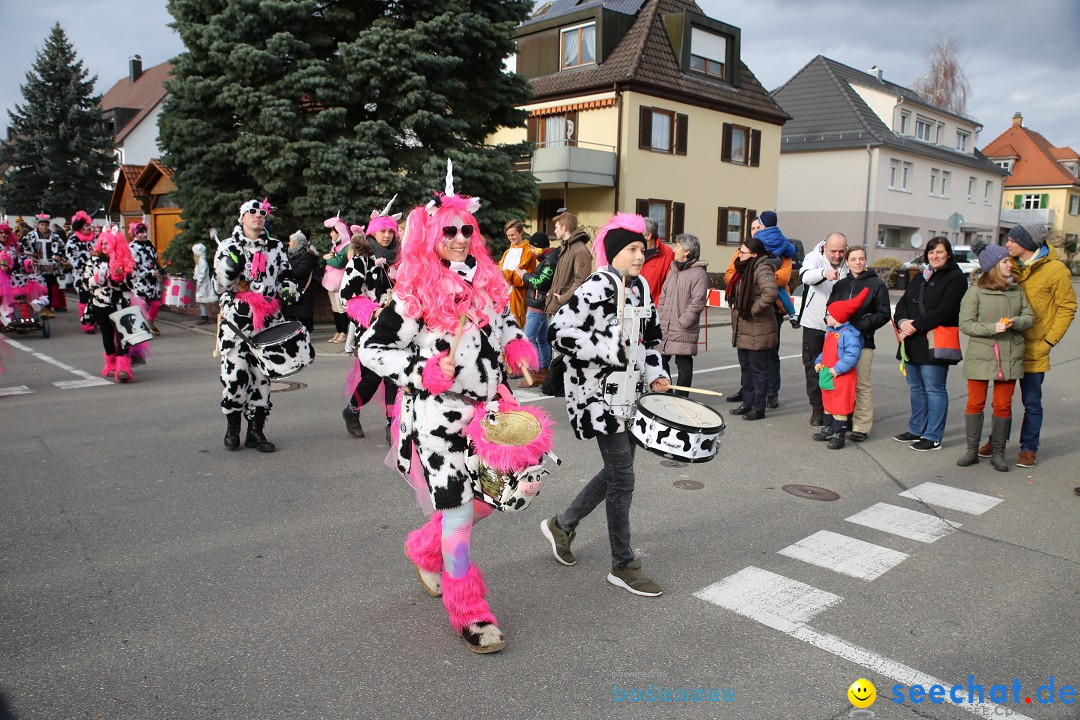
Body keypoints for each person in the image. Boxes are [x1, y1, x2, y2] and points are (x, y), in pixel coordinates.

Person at [357, 163, 538, 654]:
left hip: (488, 414)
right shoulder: (413, 290)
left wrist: (519, 350)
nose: (459, 238)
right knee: (458, 515)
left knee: (493, 499)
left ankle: (422, 548)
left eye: (466, 230)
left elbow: (506, 330)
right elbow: (372, 349)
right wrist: (423, 371)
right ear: (432, 236)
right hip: (437, 420)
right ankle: (469, 612)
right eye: (449, 231)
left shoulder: (487, 282)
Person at [543, 212, 670, 597]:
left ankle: (563, 524)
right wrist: (608, 348)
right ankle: (622, 563)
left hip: (632, 393)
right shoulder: (597, 287)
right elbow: (558, 331)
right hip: (598, 397)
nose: (638, 256)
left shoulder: (642, 288)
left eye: (641, 250)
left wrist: (656, 374)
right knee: (624, 478)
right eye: (631, 249)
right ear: (614, 253)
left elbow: (650, 342)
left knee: (617, 472)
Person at [978, 223, 1076, 468]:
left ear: (1028, 243)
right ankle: (996, 440)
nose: (1007, 243)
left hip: (1035, 347)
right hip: (1008, 345)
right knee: (1002, 399)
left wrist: (1049, 342)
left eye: (1012, 240)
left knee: (1032, 402)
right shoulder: (1008, 265)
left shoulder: (1056, 271)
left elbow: (1067, 308)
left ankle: (1028, 448)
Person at [214, 199, 300, 452]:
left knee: (263, 380)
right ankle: (233, 430)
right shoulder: (229, 246)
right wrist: (229, 270)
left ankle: (256, 432)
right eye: (252, 212)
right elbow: (218, 287)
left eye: (262, 213)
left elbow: (286, 275)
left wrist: (288, 290)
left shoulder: (275, 247)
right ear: (242, 217)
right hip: (237, 325)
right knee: (235, 378)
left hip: (268, 323)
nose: (258, 216)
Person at [956, 240, 1034, 471]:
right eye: (1004, 261)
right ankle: (972, 450)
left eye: (1009, 260)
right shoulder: (975, 292)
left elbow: (1029, 317)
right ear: (992, 266)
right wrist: (992, 328)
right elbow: (966, 324)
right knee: (975, 403)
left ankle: (998, 453)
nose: (1010, 265)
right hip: (981, 355)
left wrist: (1016, 322)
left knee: (1003, 405)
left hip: (1009, 355)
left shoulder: (1016, 290)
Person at [892, 237, 967, 451]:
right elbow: (904, 303)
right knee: (916, 387)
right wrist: (902, 321)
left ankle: (933, 436)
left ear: (948, 254)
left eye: (939, 252)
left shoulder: (956, 278)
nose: (934, 256)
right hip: (913, 340)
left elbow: (946, 310)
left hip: (934, 339)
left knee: (934, 389)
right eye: (931, 252)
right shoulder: (921, 276)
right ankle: (916, 429)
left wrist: (914, 325)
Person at [341, 202, 401, 442]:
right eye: (382, 231)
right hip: (370, 327)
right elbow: (347, 297)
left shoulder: (398, 259)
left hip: (397, 328)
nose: (386, 235)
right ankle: (352, 410)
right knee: (372, 378)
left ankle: (391, 424)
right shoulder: (360, 260)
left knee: (394, 377)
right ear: (372, 232)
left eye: (390, 231)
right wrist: (374, 312)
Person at [826, 246, 891, 442]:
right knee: (840, 384)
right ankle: (840, 422)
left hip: (864, 341)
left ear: (865, 260)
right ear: (847, 262)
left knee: (862, 385)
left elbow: (883, 313)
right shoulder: (840, 285)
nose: (857, 262)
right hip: (839, 343)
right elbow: (831, 308)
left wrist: (860, 325)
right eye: (853, 259)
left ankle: (861, 426)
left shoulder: (876, 284)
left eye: (861, 259)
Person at [798, 232, 849, 425]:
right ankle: (817, 408)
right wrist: (824, 273)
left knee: (838, 368)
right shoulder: (814, 257)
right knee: (813, 368)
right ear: (825, 248)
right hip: (815, 324)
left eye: (841, 251)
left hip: (840, 327)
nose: (837, 255)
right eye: (834, 251)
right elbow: (805, 276)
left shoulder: (848, 259)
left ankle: (838, 409)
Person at [725, 237, 778, 421]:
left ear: (754, 254)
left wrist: (752, 310)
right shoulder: (744, 268)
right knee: (746, 368)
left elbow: (770, 292)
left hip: (758, 328)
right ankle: (747, 403)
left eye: (743, 252)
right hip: (744, 328)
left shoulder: (762, 267)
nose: (739, 255)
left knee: (758, 371)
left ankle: (758, 407)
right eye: (740, 251)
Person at [812, 288, 869, 449]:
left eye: (828, 314)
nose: (826, 317)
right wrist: (819, 361)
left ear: (838, 317)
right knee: (829, 403)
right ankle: (829, 428)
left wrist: (838, 368)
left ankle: (839, 434)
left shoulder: (849, 334)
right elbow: (825, 352)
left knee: (840, 407)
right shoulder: (829, 332)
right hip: (827, 374)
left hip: (840, 376)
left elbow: (852, 354)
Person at [657, 233, 708, 395]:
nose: (674, 250)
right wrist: (660, 316)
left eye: (678, 247)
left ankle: (681, 396)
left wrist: (683, 321)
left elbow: (698, 301)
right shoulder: (673, 270)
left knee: (683, 362)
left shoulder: (698, 273)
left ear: (687, 251)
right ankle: (667, 394)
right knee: (661, 360)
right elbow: (664, 295)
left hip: (682, 325)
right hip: (666, 323)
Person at [85, 225, 135, 383]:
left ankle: (123, 368)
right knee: (107, 336)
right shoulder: (93, 260)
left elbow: (132, 284)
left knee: (123, 336)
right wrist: (97, 278)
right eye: (102, 243)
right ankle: (111, 364)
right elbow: (84, 283)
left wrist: (119, 278)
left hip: (120, 303)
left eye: (108, 243)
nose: (104, 246)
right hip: (100, 303)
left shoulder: (123, 259)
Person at [518, 230, 558, 388]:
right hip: (540, 305)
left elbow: (541, 283)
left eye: (534, 248)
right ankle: (543, 371)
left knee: (529, 339)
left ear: (541, 247)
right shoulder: (547, 259)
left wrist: (525, 276)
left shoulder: (548, 261)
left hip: (537, 306)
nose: (532, 251)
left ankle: (535, 372)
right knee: (541, 340)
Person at [545, 211, 592, 317]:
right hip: (558, 309)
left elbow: (581, 281)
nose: (554, 230)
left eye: (556, 227)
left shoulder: (580, 250)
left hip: (568, 311)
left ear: (565, 227)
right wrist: (551, 293)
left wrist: (563, 298)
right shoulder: (566, 248)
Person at [22, 213, 66, 316]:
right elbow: (23, 245)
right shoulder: (31, 235)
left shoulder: (54, 236)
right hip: (36, 266)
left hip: (50, 266)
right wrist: (29, 254)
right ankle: (36, 307)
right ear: (38, 225)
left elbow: (62, 247)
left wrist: (58, 255)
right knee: (37, 287)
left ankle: (48, 308)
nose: (44, 227)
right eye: (42, 225)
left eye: (46, 225)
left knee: (48, 287)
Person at [498, 219, 537, 333]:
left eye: (513, 234)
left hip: (519, 298)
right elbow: (500, 271)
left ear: (521, 232)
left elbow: (521, 279)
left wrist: (504, 273)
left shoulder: (528, 253)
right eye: (508, 235)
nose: (511, 238)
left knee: (517, 332)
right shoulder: (507, 252)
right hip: (503, 297)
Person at [128, 222, 163, 336]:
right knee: (141, 304)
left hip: (154, 281)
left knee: (156, 304)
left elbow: (154, 260)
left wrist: (159, 271)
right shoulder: (132, 247)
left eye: (144, 232)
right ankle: (139, 327)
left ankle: (149, 323)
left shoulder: (150, 244)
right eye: (140, 232)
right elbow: (135, 266)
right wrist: (149, 273)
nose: (143, 235)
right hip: (141, 281)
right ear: (135, 234)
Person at [65, 211, 97, 334]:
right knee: (85, 299)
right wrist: (84, 269)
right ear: (80, 227)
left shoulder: (94, 239)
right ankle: (87, 324)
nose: (89, 228)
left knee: (96, 298)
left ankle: (95, 320)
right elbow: (71, 258)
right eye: (86, 226)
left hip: (96, 275)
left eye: (89, 225)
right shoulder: (73, 241)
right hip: (81, 276)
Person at [321, 215, 351, 344]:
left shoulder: (347, 246)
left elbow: (339, 262)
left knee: (341, 308)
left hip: (340, 282)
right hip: (331, 282)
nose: (331, 234)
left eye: (332, 231)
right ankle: (339, 331)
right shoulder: (336, 246)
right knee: (334, 307)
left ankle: (344, 332)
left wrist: (327, 258)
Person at [639, 217, 674, 305]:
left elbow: (671, 285)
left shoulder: (667, 253)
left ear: (648, 236)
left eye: (638, 234)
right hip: (632, 308)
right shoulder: (632, 251)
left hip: (654, 309)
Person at [192, 242, 216, 325]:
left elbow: (202, 273)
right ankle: (204, 315)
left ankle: (204, 317)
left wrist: (199, 281)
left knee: (201, 299)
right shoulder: (200, 260)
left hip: (202, 283)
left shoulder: (202, 260)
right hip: (200, 282)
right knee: (200, 300)